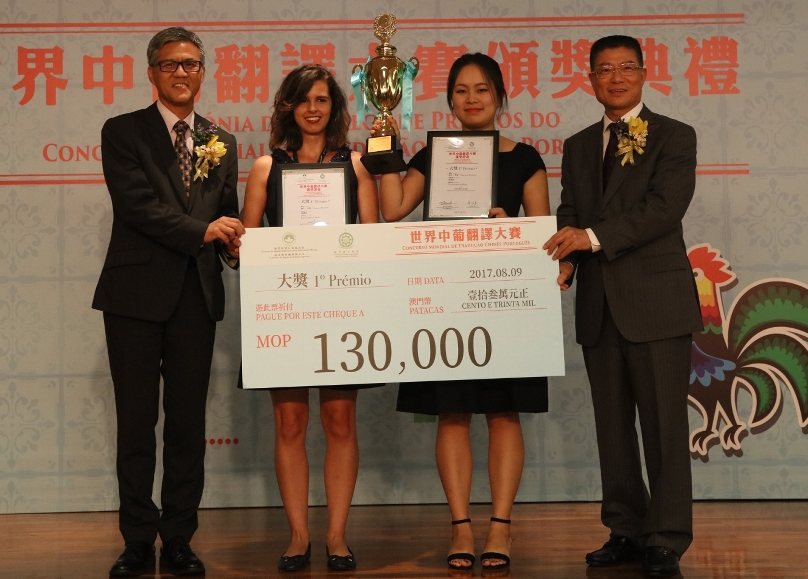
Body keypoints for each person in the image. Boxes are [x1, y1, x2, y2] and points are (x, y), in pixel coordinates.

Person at [378, 52, 550, 572]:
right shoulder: (435, 156)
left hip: (504, 297)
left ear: (500, 95)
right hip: (445, 300)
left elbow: (542, 231)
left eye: (481, 89)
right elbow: (392, 209)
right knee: (451, 413)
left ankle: (500, 525)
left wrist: (508, 225)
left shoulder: (526, 158)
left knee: (503, 412)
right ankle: (460, 527)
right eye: (460, 91)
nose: (471, 100)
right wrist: (385, 145)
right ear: (448, 99)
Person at [542, 35, 701, 579]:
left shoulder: (674, 137)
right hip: (599, 304)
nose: (614, 77)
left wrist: (589, 238)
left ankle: (667, 536)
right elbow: (569, 211)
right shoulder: (578, 144)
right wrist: (565, 257)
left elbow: (663, 210)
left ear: (643, 73)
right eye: (603, 69)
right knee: (612, 426)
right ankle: (625, 528)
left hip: (656, 302)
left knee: (662, 426)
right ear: (589, 78)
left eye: (625, 68)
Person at [93, 26, 244, 578]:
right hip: (133, 297)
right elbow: (136, 208)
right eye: (170, 64)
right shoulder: (122, 132)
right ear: (152, 73)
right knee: (136, 424)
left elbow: (227, 212)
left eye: (191, 64)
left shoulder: (221, 141)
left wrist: (235, 246)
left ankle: (179, 537)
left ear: (203, 72)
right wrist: (204, 231)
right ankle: (137, 540)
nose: (182, 73)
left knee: (186, 426)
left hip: (195, 298)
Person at [239, 65, 380, 573]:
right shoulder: (264, 168)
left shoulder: (357, 166)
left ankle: (337, 535)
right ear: (288, 108)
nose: (313, 109)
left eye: (322, 100)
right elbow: (244, 246)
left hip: (343, 307)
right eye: (304, 100)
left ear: (335, 108)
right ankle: (298, 535)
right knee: (290, 422)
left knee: (339, 421)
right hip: (287, 308)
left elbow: (373, 239)